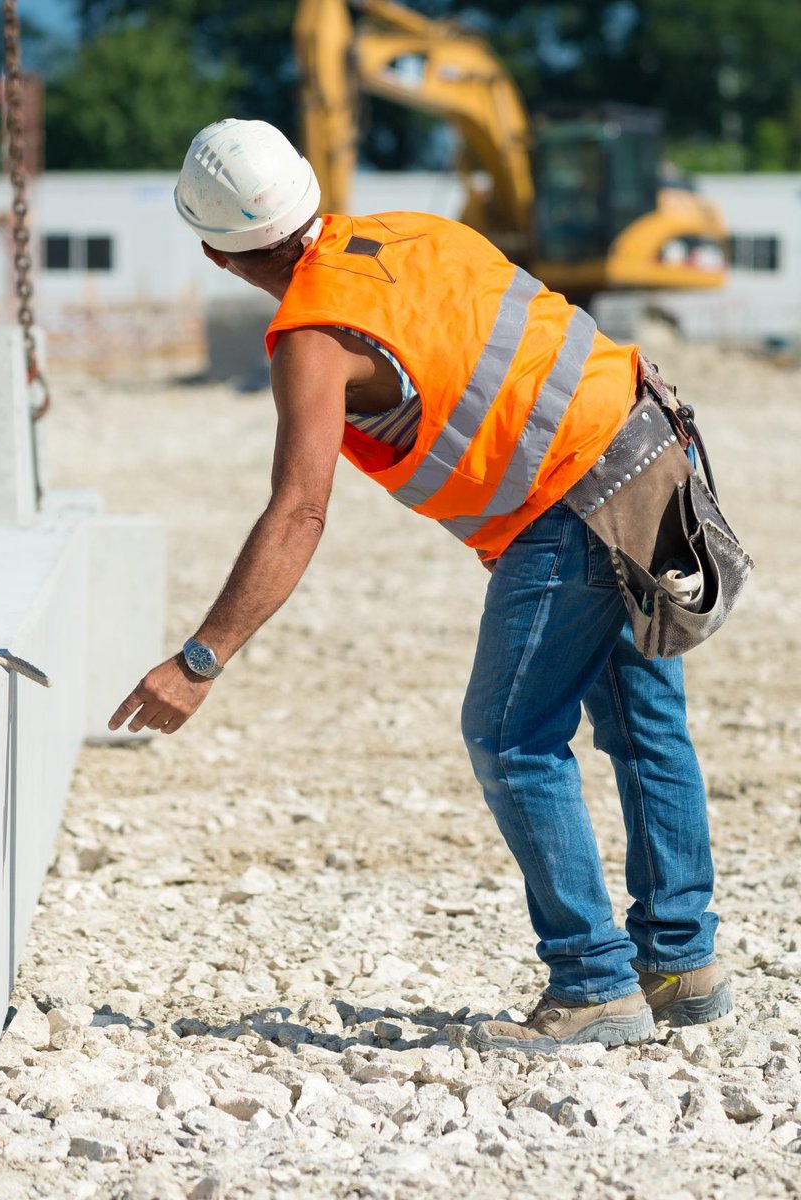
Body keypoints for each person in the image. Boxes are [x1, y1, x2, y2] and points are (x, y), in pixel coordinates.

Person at [108, 118, 731, 1053]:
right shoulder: (413, 231)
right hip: (653, 445)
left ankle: (594, 983)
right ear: (310, 192)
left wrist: (200, 661)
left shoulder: (313, 338)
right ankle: (682, 963)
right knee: (646, 725)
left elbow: (298, 513)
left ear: (215, 253)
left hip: (569, 505)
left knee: (511, 737)